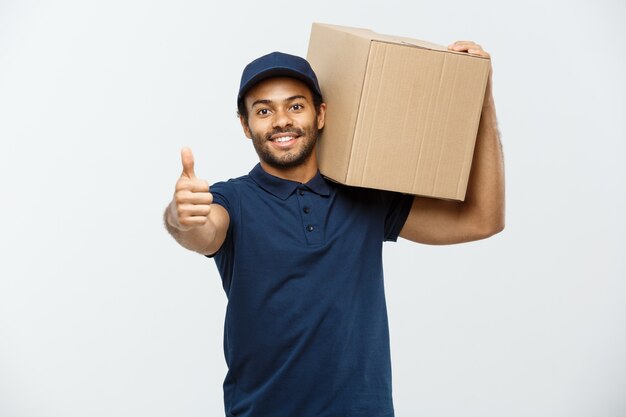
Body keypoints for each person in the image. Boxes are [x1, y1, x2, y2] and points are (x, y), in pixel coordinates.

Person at [164, 41, 504, 417]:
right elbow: (203, 231)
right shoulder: (233, 200)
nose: (281, 121)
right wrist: (182, 217)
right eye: (264, 111)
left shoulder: (367, 196)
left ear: (320, 114)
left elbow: (482, 219)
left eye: (295, 105)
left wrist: (483, 97)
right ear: (246, 126)